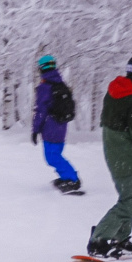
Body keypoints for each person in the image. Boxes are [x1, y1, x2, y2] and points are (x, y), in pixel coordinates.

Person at [86, 54, 132, 258]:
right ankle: (99, 240)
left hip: (114, 151)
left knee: (130, 198)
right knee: (129, 201)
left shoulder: (114, 91)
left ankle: (120, 239)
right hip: (124, 155)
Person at [31, 53, 81, 193]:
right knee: (55, 154)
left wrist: (35, 130)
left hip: (50, 126)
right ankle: (66, 177)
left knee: (52, 157)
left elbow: (40, 110)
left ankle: (73, 179)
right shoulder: (60, 83)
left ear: (41, 69)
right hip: (61, 125)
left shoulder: (45, 87)